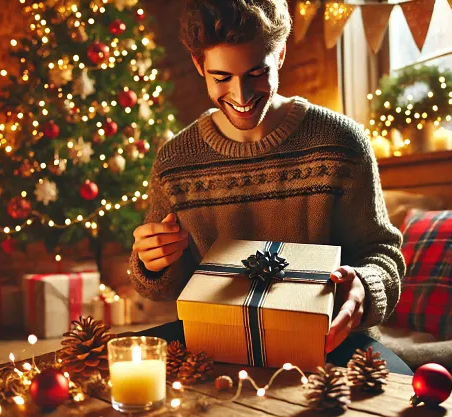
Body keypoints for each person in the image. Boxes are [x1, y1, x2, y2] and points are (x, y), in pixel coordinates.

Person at [129, 0, 410, 374]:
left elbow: (382, 255)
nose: (242, 97)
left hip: (326, 339)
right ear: (199, 65)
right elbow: (162, 287)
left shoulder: (342, 141)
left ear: (280, 55)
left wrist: (365, 285)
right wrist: (150, 264)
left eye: (256, 73)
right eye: (222, 78)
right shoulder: (174, 161)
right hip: (215, 339)